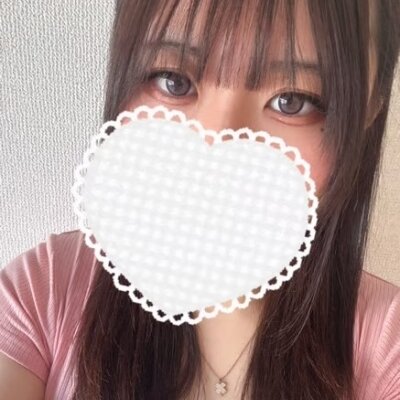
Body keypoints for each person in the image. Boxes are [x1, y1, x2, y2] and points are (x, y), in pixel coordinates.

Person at [1, 0, 399, 399]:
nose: (217, 142)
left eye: (292, 101)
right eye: (173, 81)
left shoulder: (388, 347)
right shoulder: (41, 291)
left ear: (370, 109)